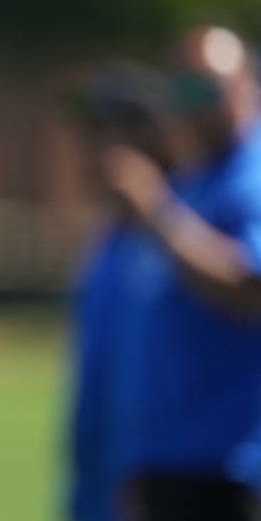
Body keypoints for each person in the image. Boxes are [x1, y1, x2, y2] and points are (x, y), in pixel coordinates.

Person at [71, 26, 261, 521]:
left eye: (208, 88)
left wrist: (156, 208)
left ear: (248, 84)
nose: (196, 105)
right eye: (185, 90)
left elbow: (250, 289)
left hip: (229, 464)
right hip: (166, 461)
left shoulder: (250, 175)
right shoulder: (198, 181)